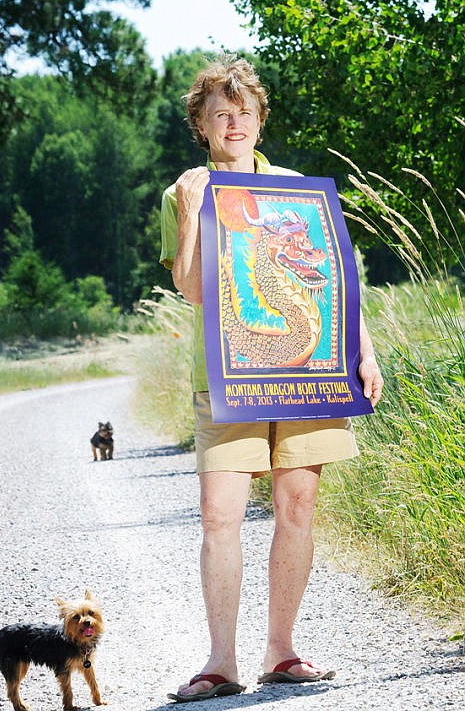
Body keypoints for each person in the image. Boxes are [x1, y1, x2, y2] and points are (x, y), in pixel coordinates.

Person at [160, 54, 383, 703]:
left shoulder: (296, 188)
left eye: (244, 112)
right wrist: (190, 213)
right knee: (219, 514)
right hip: (228, 377)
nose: (234, 124)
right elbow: (192, 291)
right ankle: (219, 662)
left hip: (309, 373)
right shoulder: (186, 190)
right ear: (200, 125)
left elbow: (337, 280)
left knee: (298, 505)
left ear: (261, 118)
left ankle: (280, 652)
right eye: (219, 115)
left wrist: (362, 353)